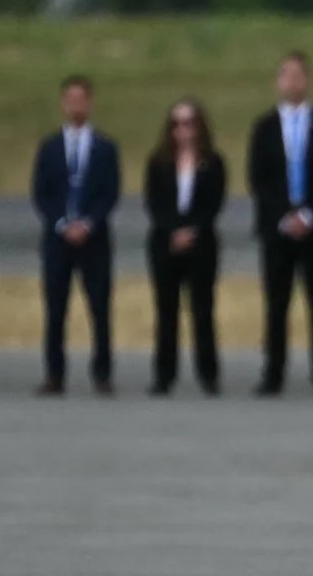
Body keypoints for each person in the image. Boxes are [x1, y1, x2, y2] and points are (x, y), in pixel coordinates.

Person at [247, 51, 313, 397]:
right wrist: (283, 215)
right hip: (278, 228)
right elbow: (258, 178)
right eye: (286, 75)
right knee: (276, 303)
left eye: (298, 75)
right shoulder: (264, 127)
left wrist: (309, 213)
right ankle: (273, 372)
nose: (293, 81)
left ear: (308, 80)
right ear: (278, 81)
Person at [30, 75, 121, 396]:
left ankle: (102, 373)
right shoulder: (50, 147)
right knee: (55, 308)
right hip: (58, 240)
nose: (76, 105)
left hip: (93, 240)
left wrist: (88, 223)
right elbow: (41, 193)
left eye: (82, 99)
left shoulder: (105, 147)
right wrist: (61, 223)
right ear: (63, 104)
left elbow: (110, 193)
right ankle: (55, 374)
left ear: (90, 103)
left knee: (99, 307)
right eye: (70, 99)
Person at [143, 98, 227, 396]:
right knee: (166, 312)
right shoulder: (158, 162)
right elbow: (154, 204)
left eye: (189, 123)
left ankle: (209, 374)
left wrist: (192, 230)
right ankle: (164, 375)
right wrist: (173, 231)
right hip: (165, 244)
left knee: (202, 311)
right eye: (177, 124)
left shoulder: (213, 162)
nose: (183, 130)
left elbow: (214, 203)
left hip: (201, 245)